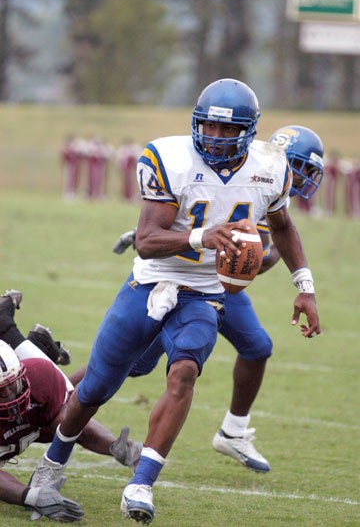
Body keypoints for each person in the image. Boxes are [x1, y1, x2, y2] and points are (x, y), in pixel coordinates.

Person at [31, 79, 320, 524]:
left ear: (249, 131)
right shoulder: (170, 157)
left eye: (228, 131)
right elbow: (147, 241)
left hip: (205, 293)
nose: (216, 137)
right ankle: (51, 464)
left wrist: (304, 286)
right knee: (95, 389)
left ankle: (141, 483)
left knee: (184, 371)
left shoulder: (271, 166)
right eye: (209, 127)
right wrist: (206, 236)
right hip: (151, 284)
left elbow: (282, 226)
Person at [112, 125, 325, 474]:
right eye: (304, 167)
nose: (306, 177)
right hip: (191, 283)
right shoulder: (255, 177)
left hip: (224, 287)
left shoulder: (271, 190)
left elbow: (263, 254)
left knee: (257, 347)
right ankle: (65, 394)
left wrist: (282, 272)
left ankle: (233, 431)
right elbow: (206, 225)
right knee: (133, 363)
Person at [0, 291, 142, 520]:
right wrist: (29, 495)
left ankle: (17, 335)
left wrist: (113, 446)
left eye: (11, 384)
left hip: (33, 396)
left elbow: (71, 421)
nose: (8, 396)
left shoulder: (37, 375)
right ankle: (20, 336)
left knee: (64, 414)